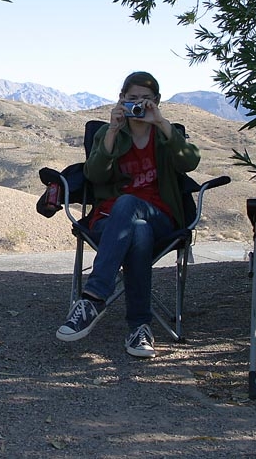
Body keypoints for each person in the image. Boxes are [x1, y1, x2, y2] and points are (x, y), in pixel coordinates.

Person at [55, 71, 201, 358]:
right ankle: (139, 328)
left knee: (129, 204)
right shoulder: (109, 132)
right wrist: (111, 131)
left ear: (156, 102)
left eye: (145, 100)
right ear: (121, 99)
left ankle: (94, 296)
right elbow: (94, 175)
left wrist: (161, 123)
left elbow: (191, 161)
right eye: (132, 98)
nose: (138, 105)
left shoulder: (163, 133)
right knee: (139, 230)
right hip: (111, 221)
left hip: (161, 214)